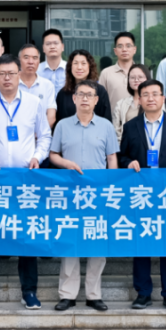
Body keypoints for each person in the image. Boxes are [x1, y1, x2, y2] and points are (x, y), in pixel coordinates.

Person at [0, 54, 52, 310]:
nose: (7, 78)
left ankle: (29, 291)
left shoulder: (34, 103)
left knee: (26, 235)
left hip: (25, 181)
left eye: (11, 73)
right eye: (2, 74)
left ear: (19, 75)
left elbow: (45, 136)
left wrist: (37, 157)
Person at [119, 80, 166, 310]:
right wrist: (128, 162)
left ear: (163, 98)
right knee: (141, 243)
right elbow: (121, 157)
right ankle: (143, 293)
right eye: (145, 94)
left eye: (155, 94)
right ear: (139, 99)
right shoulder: (131, 126)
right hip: (141, 194)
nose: (150, 98)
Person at [49, 79, 117, 313]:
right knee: (70, 241)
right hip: (70, 193)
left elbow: (112, 159)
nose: (85, 98)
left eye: (90, 95)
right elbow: (53, 155)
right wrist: (67, 163)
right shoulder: (62, 125)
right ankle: (67, 294)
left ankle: (93, 295)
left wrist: (111, 189)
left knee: (97, 243)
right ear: (74, 98)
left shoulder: (106, 126)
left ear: (96, 100)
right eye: (81, 94)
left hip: (98, 194)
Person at [56, 50, 112, 124]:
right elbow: (59, 122)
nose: (79, 67)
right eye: (75, 63)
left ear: (90, 66)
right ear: (70, 67)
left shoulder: (100, 91)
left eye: (83, 63)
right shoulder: (63, 93)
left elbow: (106, 120)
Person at [18, 44, 58, 128]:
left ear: (39, 61)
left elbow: (51, 117)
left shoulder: (47, 85)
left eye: (35, 58)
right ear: (19, 60)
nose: (31, 61)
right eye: (26, 57)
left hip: (41, 135)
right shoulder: (10, 84)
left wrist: (38, 134)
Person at [98, 31, 138, 105]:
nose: (124, 49)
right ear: (115, 51)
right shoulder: (106, 73)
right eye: (120, 46)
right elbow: (100, 101)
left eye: (128, 46)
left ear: (134, 49)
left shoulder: (142, 73)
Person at [112, 63, 149, 143]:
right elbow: (116, 130)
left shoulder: (155, 102)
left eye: (140, 77)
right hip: (127, 146)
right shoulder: (121, 104)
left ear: (147, 78)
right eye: (132, 77)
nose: (136, 80)